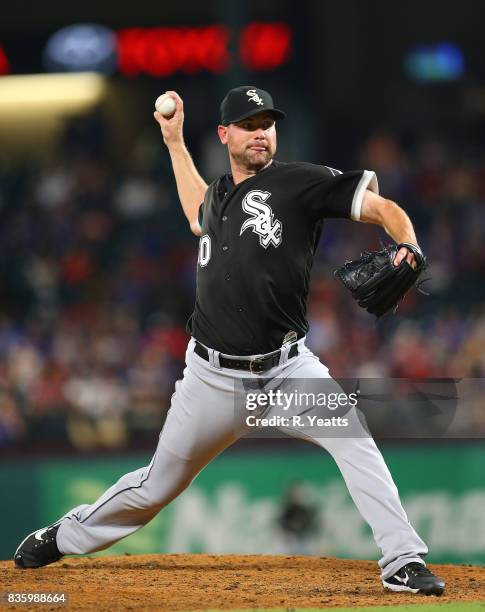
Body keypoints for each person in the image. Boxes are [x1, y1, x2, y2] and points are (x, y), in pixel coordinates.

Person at [14, 86, 445, 596]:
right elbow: (197, 212)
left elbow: (381, 208)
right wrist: (173, 142)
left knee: (357, 442)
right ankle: (66, 535)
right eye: (248, 123)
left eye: (267, 123)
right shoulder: (219, 194)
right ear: (225, 134)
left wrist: (409, 243)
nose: (261, 132)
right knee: (155, 487)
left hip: (287, 370)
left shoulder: (299, 182)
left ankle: (403, 559)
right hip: (211, 378)